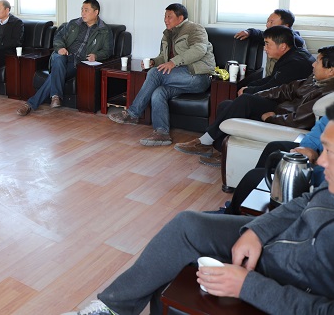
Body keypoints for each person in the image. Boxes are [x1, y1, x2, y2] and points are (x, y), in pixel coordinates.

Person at [62, 104, 334, 315]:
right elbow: (306, 200)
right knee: (187, 225)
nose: (321, 162)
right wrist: (257, 231)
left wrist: (248, 286)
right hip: (287, 240)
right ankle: (113, 308)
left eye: (330, 152)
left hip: (299, 278)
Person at [175, 46, 334, 167]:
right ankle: (222, 151)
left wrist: (271, 118)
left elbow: (298, 121)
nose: (313, 64)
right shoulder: (314, 80)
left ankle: (205, 142)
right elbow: (286, 89)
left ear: (331, 71)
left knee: (243, 102)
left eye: (318, 61)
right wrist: (257, 95)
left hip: (283, 121)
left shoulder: (326, 94)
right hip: (280, 111)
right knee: (227, 105)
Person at [109, 4, 215, 146]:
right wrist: (154, 61)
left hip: (198, 76)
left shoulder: (195, 28)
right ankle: (162, 133)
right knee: (158, 92)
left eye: (169, 17)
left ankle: (133, 113)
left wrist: (173, 62)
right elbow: (163, 58)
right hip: (178, 77)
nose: (165, 20)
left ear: (180, 18)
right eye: (165, 16)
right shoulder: (167, 34)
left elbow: (199, 50)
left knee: (155, 73)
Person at [17, 0, 112, 115]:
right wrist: (60, 47)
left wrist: (96, 55)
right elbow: (58, 37)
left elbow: (108, 51)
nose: (83, 13)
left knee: (55, 75)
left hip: (79, 63)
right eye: (82, 10)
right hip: (64, 56)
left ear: (96, 12)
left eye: (86, 10)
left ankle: (32, 104)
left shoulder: (104, 30)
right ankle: (54, 96)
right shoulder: (74, 24)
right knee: (58, 58)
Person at [223, 113, 328, 216]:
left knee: (253, 176)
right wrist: (306, 148)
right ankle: (253, 201)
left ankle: (233, 215)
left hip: (326, 173)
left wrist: (315, 161)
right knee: (274, 147)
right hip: (322, 155)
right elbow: (321, 128)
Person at [234, 25, 313, 96]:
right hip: (284, 95)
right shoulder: (295, 53)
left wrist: (248, 90)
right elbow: (272, 79)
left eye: (267, 44)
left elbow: (273, 89)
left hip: (294, 102)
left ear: (283, 46)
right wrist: (249, 86)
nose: (265, 48)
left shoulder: (293, 63)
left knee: (246, 100)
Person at [235, 8, 307, 86]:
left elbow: (280, 86)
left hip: (281, 87)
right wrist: (249, 32)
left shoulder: (294, 46)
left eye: (272, 22)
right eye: (268, 21)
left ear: (285, 26)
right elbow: (261, 34)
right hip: (270, 81)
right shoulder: (276, 37)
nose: (267, 25)